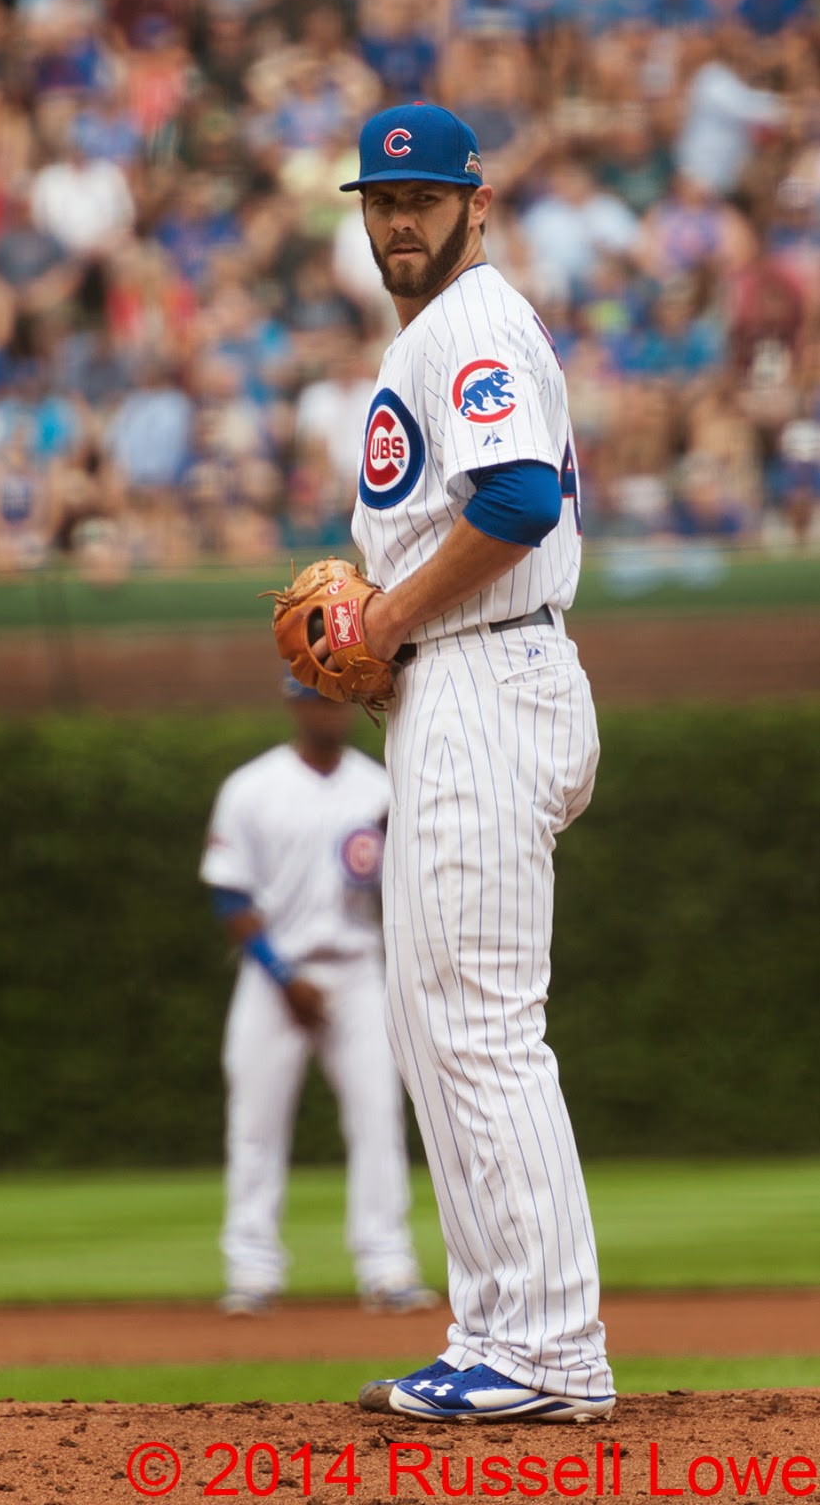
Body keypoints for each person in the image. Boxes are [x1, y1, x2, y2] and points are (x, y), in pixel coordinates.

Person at [328, 102, 615, 1422]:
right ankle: (497, 1330)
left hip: (484, 673)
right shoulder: (437, 334)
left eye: (422, 199)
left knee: (479, 1028)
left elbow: (514, 500)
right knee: (437, 1026)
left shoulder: (475, 324)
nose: (399, 221)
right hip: (465, 682)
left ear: (473, 202)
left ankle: (548, 1349)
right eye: (381, 202)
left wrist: (382, 616)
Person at [199, 674, 437, 1318]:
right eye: (316, 698)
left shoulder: (381, 786)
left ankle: (387, 1266)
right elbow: (229, 893)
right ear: (293, 703)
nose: (330, 712)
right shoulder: (252, 787)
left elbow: (405, 887)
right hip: (275, 972)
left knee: (378, 1117)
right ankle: (251, 1271)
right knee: (255, 1125)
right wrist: (282, 974)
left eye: (338, 699)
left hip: (359, 971)